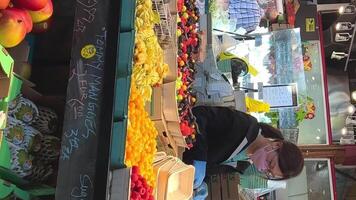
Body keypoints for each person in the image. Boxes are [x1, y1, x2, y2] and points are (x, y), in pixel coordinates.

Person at [183, 106, 304, 195]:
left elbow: (209, 166)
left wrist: (202, 185)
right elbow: (199, 115)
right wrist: (200, 158)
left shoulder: (242, 165)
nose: (263, 169)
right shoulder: (244, 125)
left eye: (268, 173)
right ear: (276, 145)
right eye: (270, 163)